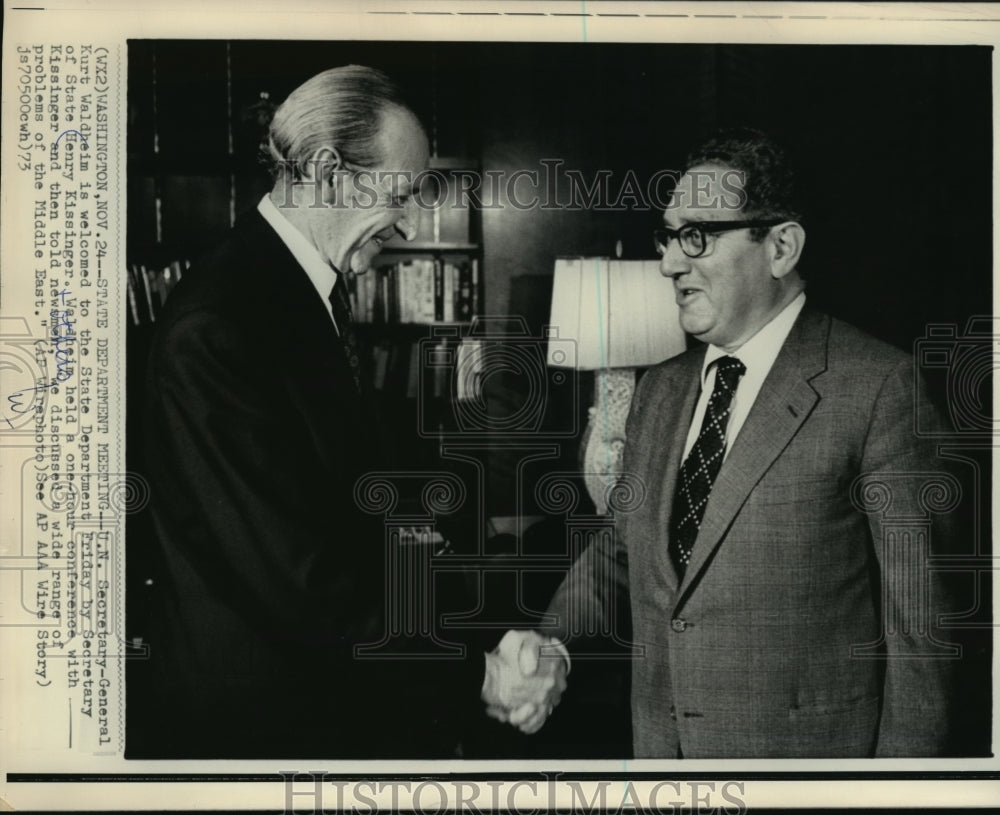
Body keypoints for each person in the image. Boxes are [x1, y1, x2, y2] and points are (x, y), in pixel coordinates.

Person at [489, 128, 960, 757]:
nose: (669, 263)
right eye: (668, 235)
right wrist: (553, 643)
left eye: (698, 236)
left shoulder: (878, 388)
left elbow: (921, 632)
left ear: (781, 246)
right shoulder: (659, 390)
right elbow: (623, 552)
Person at [130, 65, 545, 758]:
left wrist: (492, 630)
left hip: (328, 702)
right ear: (327, 171)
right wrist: (477, 671)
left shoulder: (301, 295)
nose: (409, 222)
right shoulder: (220, 325)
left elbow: (383, 501)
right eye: (402, 193)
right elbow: (301, 582)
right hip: (263, 733)